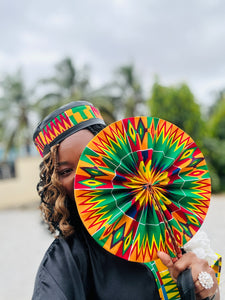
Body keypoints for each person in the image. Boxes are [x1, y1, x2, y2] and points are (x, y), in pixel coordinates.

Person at [32, 100, 220, 300]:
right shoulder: (65, 260)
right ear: (55, 182)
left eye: (93, 160)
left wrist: (205, 290)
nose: (84, 177)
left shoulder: (167, 225)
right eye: (66, 171)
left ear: (117, 156)